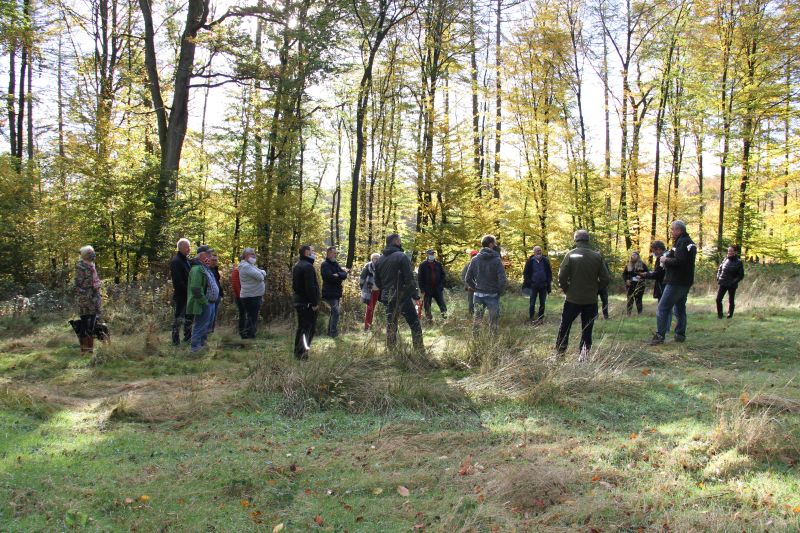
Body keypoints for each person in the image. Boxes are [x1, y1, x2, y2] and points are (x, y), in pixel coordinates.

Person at [555, 230, 610, 358]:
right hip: (590, 300)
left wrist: (566, 289)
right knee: (587, 329)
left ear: (576, 240)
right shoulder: (596, 256)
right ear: (588, 240)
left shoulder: (571, 254)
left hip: (572, 299)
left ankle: (560, 353)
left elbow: (562, 276)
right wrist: (596, 289)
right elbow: (606, 278)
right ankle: (583, 357)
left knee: (565, 327)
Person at [649, 220, 697, 345]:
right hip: (685, 281)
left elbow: (680, 262)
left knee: (662, 308)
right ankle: (680, 334)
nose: (671, 232)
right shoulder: (688, 243)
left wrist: (665, 259)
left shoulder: (682, 242)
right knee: (679, 308)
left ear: (679, 230)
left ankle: (660, 336)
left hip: (676, 281)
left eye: (672, 229)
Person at [374, 233, 424, 351]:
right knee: (415, 324)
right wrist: (415, 296)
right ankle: (419, 351)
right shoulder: (401, 256)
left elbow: (377, 281)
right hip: (402, 297)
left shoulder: (380, 259)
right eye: (399, 240)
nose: (400, 242)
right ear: (396, 241)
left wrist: (385, 293)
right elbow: (409, 279)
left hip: (388, 297)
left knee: (391, 325)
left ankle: (391, 351)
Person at [464, 235, 507, 335]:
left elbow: (467, 278)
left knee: (477, 321)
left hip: (478, 295)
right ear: (491, 244)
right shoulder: (496, 260)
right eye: (494, 243)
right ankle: (493, 346)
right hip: (492, 295)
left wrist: (476, 288)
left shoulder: (475, 259)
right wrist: (498, 291)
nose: (495, 245)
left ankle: (475, 344)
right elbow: (503, 280)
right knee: (493, 323)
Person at [187, 245, 219, 353]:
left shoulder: (205, 268)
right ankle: (195, 349)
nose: (210, 256)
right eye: (208, 254)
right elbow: (195, 288)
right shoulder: (197, 269)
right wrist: (204, 302)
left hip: (211, 303)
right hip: (204, 303)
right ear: (202, 255)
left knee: (206, 327)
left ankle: (202, 346)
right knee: (200, 326)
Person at [292, 245, 320, 359]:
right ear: (306, 252)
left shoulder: (298, 265)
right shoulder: (308, 266)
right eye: (312, 251)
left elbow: (295, 286)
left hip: (300, 301)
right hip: (307, 303)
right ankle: (302, 354)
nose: (314, 253)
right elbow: (310, 287)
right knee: (307, 329)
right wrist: (314, 303)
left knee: (302, 328)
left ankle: (299, 353)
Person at [75, 245, 102, 354]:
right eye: (90, 253)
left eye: (93, 252)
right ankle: (84, 350)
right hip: (85, 300)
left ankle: (90, 350)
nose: (93, 254)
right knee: (85, 323)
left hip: (94, 299)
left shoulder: (92, 266)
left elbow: (95, 281)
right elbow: (77, 285)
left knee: (92, 323)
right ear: (85, 255)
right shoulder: (80, 267)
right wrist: (85, 296)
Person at [238, 247, 266, 338]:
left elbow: (262, 272)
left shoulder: (250, 265)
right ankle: (249, 336)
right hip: (250, 296)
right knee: (251, 317)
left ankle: (250, 335)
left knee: (252, 317)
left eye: (254, 254)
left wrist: (261, 272)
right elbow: (260, 277)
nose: (254, 256)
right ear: (246, 256)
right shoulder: (245, 266)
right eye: (252, 254)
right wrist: (261, 273)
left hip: (254, 295)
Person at [320, 246, 348, 338]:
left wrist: (338, 275)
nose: (335, 255)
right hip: (329, 292)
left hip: (336, 292)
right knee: (336, 312)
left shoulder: (335, 264)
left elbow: (344, 274)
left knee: (334, 312)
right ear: (328, 253)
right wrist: (339, 278)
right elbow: (328, 278)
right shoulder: (325, 265)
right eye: (334, 253)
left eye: (336, 253)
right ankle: (333, 332)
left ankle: (330, 332)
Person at [170, 238, 193, 345]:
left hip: (189, 295)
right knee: (178, 318)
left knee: (189, 317)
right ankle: (175, 340)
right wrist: (187, 291)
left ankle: (188, 338)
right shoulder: (176, 261)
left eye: (189, 247)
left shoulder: (186, 260)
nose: (189, 249)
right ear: (180, 248)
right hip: (181, 295)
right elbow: (178, 281)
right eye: (187, 247)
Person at [522, 245, 552, 324]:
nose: (539, 252)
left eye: (539, 250)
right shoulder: (530, 261)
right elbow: (525, 273)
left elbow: (549, 273)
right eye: (537, 250)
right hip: (533, 286)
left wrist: (548, 282)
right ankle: (531, 318)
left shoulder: (545, 260)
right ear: (534, 252)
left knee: (542, 303)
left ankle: (540, 318)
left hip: (543, 285)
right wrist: (529, 282)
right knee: (532, 303)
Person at [417, 249, 448, 322]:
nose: (432, 255)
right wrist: (422, 289)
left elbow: (443, 275)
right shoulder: (422, 265)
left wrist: (441, 285)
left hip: (437, 288)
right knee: (427, 305)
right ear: (427, 255)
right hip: (427, 289)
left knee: (442, 304)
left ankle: (445, 318)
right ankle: (429, 320)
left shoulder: (438, 264)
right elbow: (420, 278)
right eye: (431, 254)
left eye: (433, 254)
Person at [715, 245, 745, 319]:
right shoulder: (725, 259)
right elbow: (720, 269)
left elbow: (740, 275)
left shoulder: (739, 262)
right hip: (723, 282)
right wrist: (718, 277)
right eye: (728, 251)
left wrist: (734, 282)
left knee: (731, 300)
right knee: (718, 299)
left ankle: (730, 315)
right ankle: (720, 315)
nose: (729, 252)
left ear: (735, 252)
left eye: (731, 251)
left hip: (732, 284)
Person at [360, 253, 381, 331]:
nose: (376, 260)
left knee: (373, 308)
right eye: (375, 258)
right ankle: (366, 326)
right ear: (372, 259)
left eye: (378, 258)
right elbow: (362, 278)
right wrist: (363, 288)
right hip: (369, 290)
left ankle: (370, 324)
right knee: (369, 308)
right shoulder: (368, 266)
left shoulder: (381, 267)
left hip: (377, 290)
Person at [208, 252, 223, 333]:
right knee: (209, 315)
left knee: (214, 314)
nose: (214, 262)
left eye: (216, 260)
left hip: (217, 295)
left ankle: (211, 331)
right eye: (213, 260)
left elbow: (217, 282)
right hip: (209, 296)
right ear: (209, 260)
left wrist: (220, 293)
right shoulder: (206, 269)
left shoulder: (215, 269)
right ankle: (207, 331)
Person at [230, 254, 245, 337]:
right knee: (243, 314)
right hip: (241, 297)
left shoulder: (247, 269)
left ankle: (246, 331)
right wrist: (241, 296)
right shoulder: (237, 270)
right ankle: (242, 332)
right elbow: (235, 284)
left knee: (246, 314)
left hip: (246, 296)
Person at [461, 250, 478, 316]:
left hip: (481, 288)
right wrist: (468, 286)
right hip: (470, 288)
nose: (474, 256)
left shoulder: (482, 264)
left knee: (480, 303)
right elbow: (463, 276)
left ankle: (479, 318)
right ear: (471, 256)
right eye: (473, 255)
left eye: (476, 255)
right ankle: (471, 316)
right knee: (471, 304)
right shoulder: (467, 265)